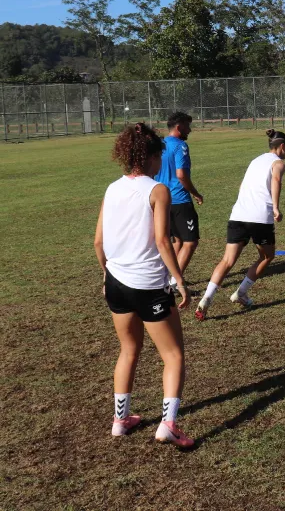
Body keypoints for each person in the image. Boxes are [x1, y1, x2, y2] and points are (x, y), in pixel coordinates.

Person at [95, 123, 193, 448]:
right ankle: (168, 424)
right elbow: (164, 241)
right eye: (158, 156)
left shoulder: (111, 188)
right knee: (174, 355)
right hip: (149, 285)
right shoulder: (157, 190)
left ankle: (120, 420)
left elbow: (98, 243)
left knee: (128, 350)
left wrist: (106, 276)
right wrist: (179, 280)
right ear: (151, 155)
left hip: (117, 284)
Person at [195, 130, 285, 320]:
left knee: (227, 261)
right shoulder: (279, 163)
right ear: (282, 147)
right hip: (260, 217)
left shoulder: (255, 161)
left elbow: (241, 186)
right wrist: (276, 208)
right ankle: (240, 293)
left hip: (238, 214)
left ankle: (206, 299)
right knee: (267, 256)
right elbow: (276, 179)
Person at [156, 111, 204, 294]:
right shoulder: (180, 146)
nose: (189, 130)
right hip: (179, 200)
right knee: (190, 242)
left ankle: (169, 278)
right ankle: (176, 283)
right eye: (187, 126)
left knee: (177, 241)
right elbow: (181, 175)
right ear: (179, 127)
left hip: (162, 201)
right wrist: (195, 193)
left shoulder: (159, 145)